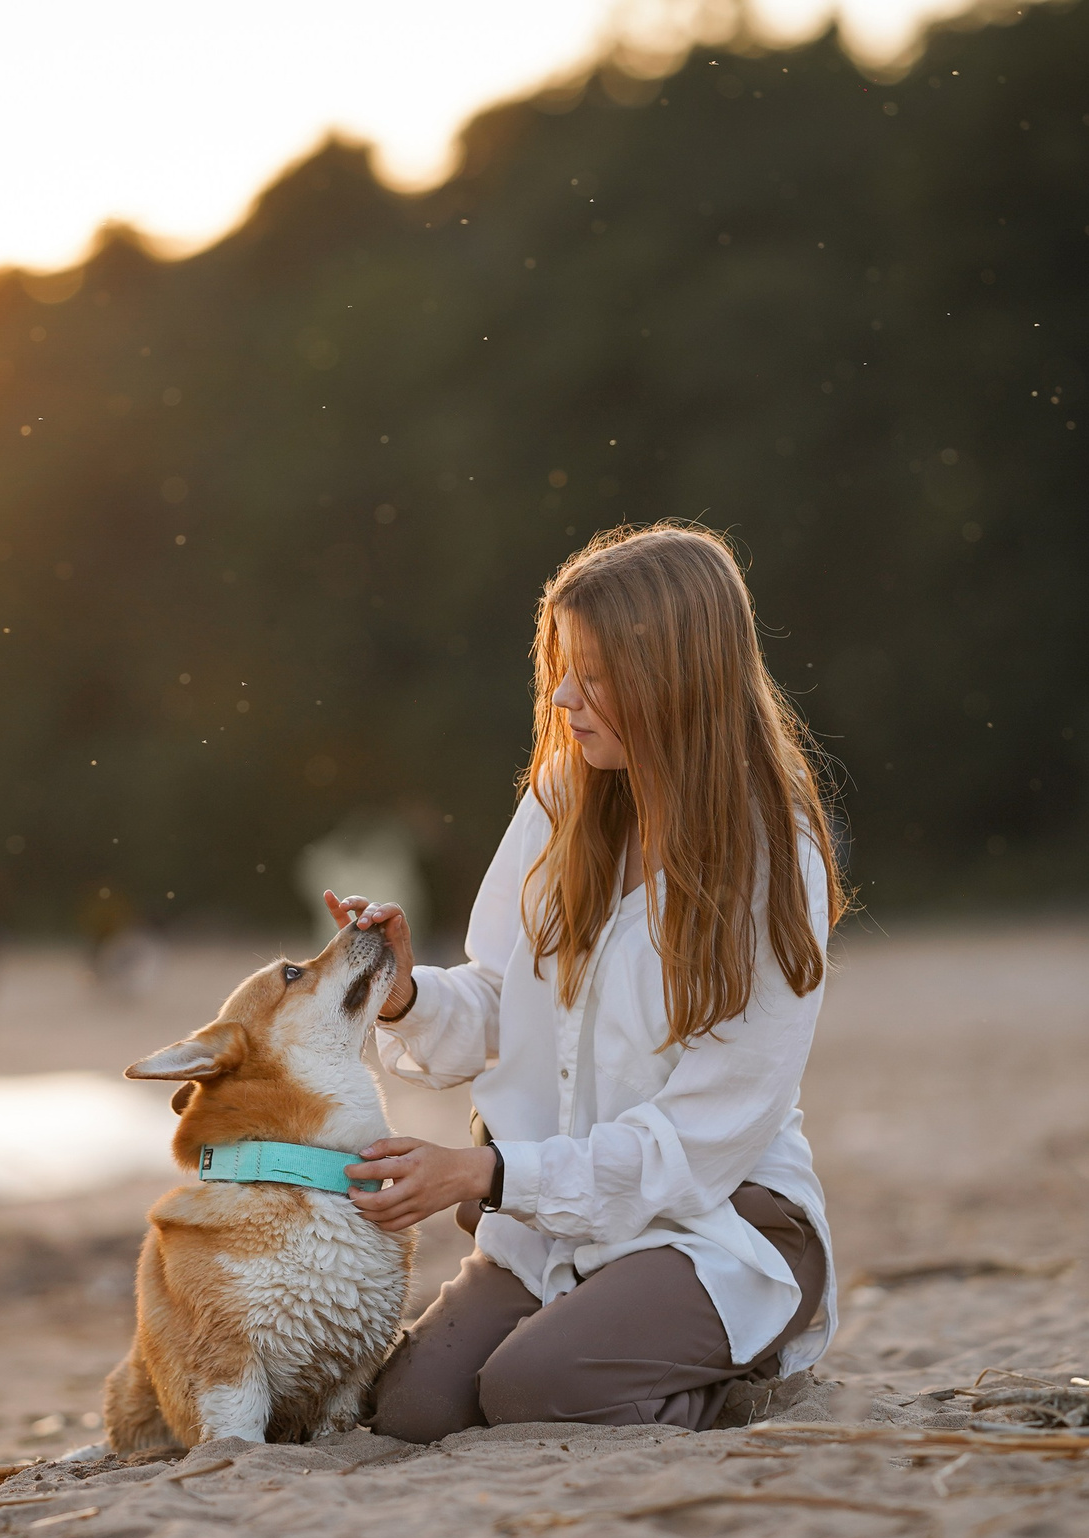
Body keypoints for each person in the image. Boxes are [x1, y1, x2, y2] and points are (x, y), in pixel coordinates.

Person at [330, 521, 846, 1439]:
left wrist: (484, 1171)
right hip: (558, 1222)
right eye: (563, 665)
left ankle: (732, 1360)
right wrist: (407, 994)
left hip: (719, 1217)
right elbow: (501, 1003)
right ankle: (606, 1327)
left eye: (595, 672)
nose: (564, 695)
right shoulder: (562, 800)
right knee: (408, 1412)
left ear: (677, 674)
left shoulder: (775, 859)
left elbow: (696, 1146)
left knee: (533, 1387)